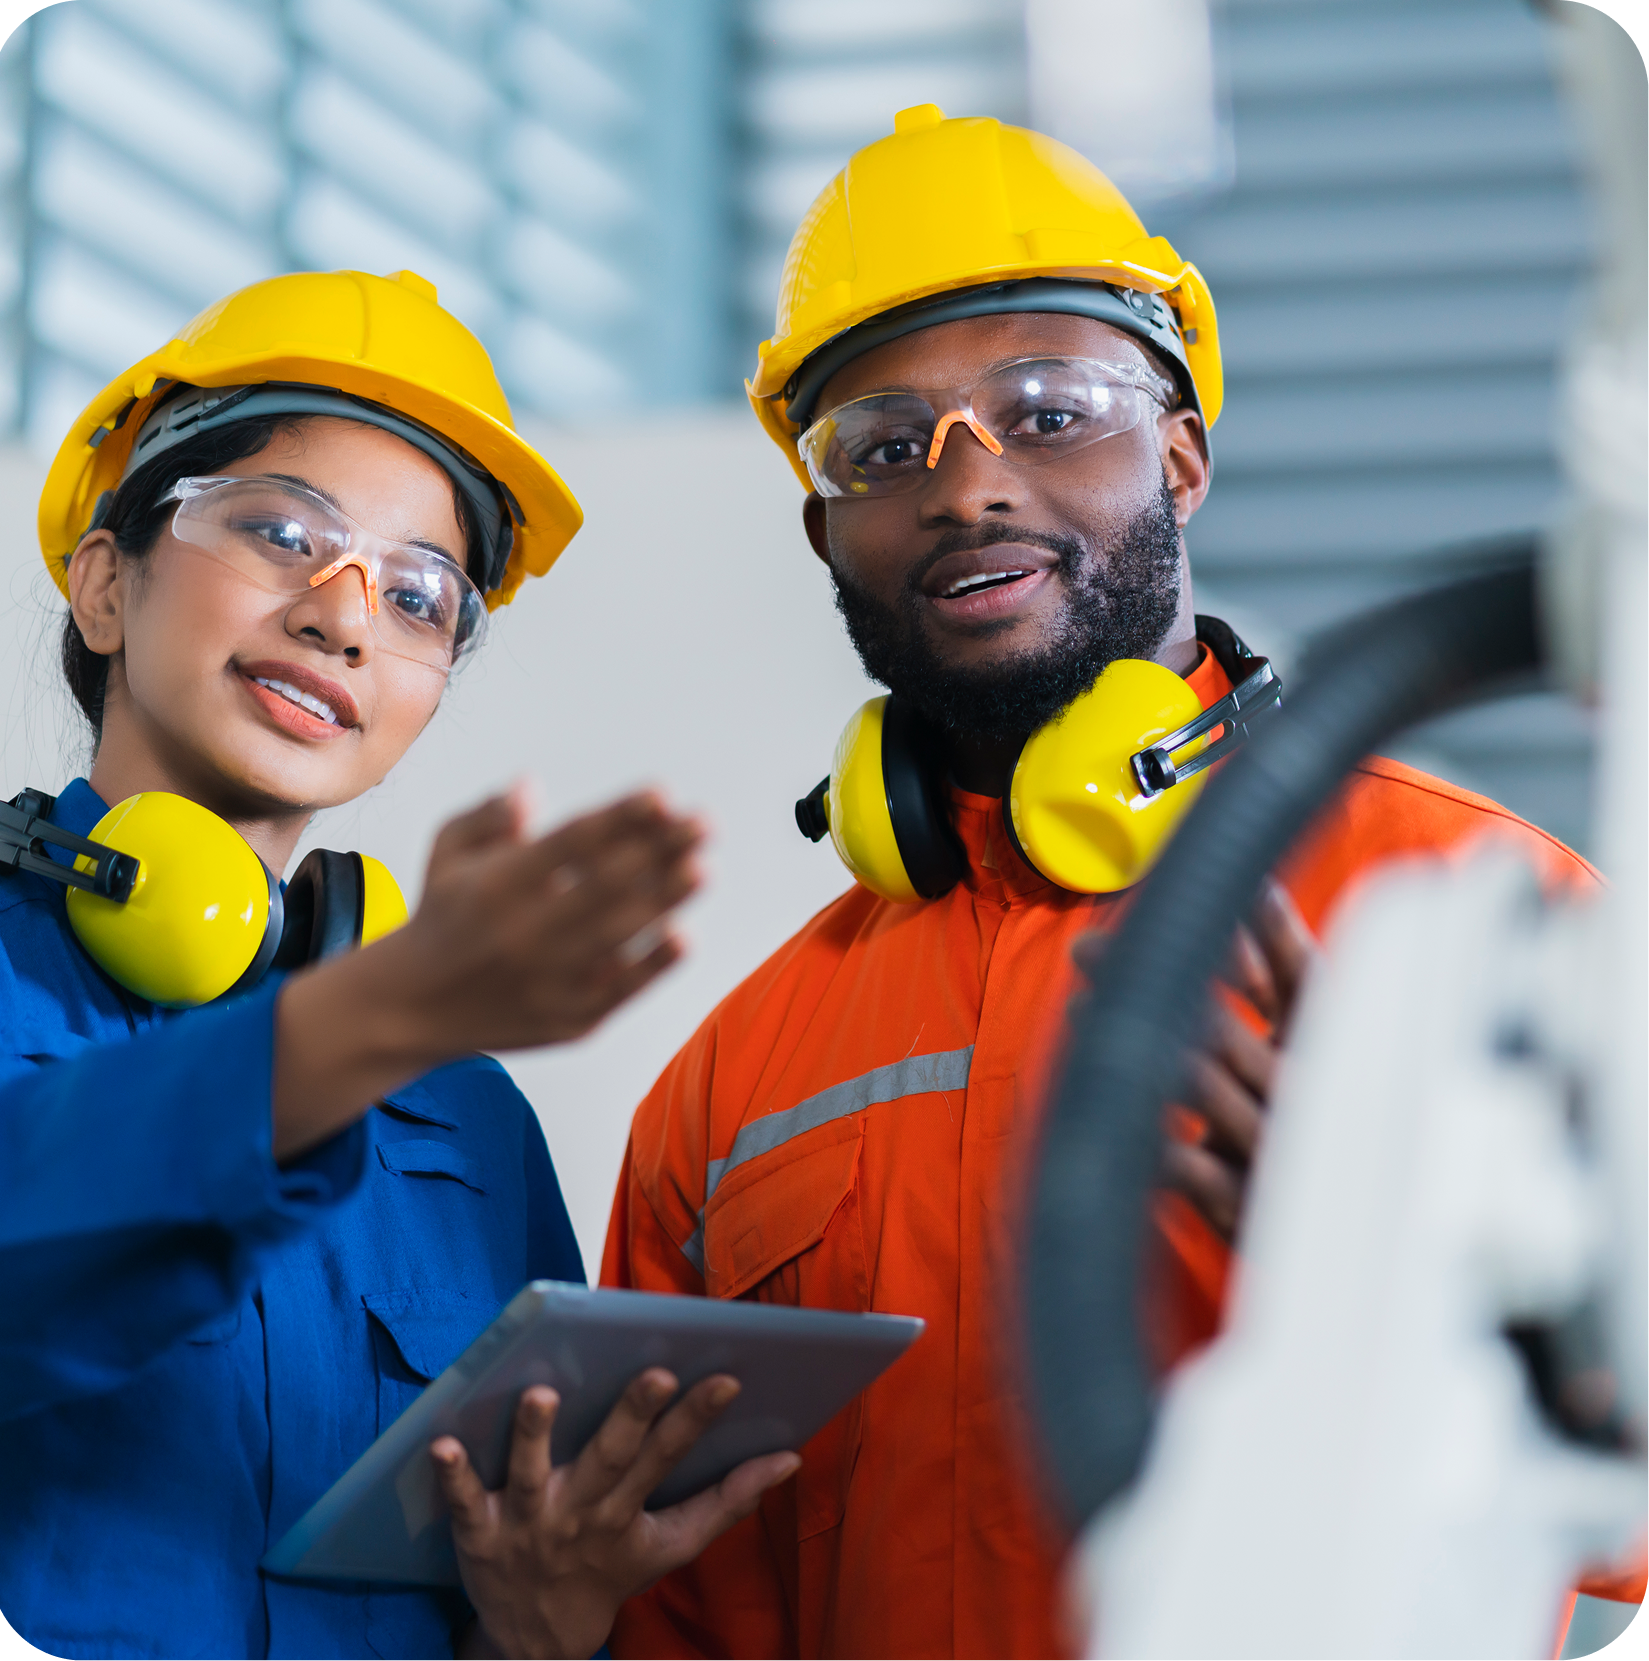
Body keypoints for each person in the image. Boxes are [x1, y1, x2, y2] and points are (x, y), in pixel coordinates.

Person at [600, 107, 1599, 1661]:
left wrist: (1435, 1295)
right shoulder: (727, 1088)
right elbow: (681, 1623)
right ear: (825, 529)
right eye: (882, 446)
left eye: (1051, 408)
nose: (965, 486)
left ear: (1182, 453)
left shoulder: (1475, 905)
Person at [0, 268, 797, 1661]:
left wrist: (543, 1626)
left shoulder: (464, 1117)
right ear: (105, 584)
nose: (344, 614)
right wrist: (370, 1019)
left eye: (421, 597)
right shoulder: (390, 1026)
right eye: (282, 532)